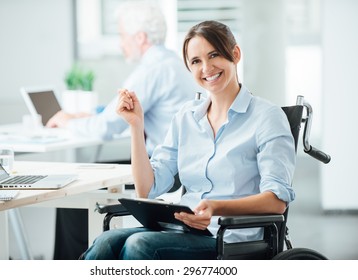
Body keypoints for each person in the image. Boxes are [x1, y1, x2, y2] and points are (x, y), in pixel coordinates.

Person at [81, 20, 296, 260]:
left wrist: (215, 207)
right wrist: (136, 126)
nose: (206, 68)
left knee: (139, 245)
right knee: (105, 242)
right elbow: (147, 188)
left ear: (235, 54)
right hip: (185, 231)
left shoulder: (267, 117)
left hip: (232, 238)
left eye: (213, 55)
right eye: (196, 61)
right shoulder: (186, 117)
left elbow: (276, 201)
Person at [50, 2, 200, 260]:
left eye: (122, 36)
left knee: (73, 190)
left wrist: (67, 121)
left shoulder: (151, 70)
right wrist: (89, 114)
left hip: (166, 173)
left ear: (140, 37)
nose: (121, 44)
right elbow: (114, 113)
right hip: (177, 168)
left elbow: (107, 127)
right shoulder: (172, 63)